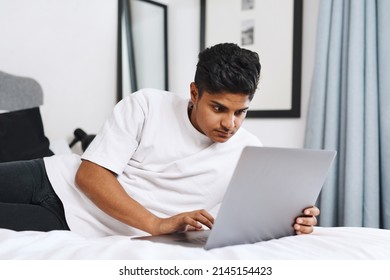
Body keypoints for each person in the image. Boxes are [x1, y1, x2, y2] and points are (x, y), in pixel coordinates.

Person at [0, 43, 319, 237]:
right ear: (195, 93)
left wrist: (294, 222)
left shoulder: (250, 153)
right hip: (48, 178)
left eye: (240, 112)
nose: (230, 123)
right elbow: (90, 174)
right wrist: (155, 224)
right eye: (219, 108)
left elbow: (254, 220)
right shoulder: (148, 104)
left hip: (72, 223)